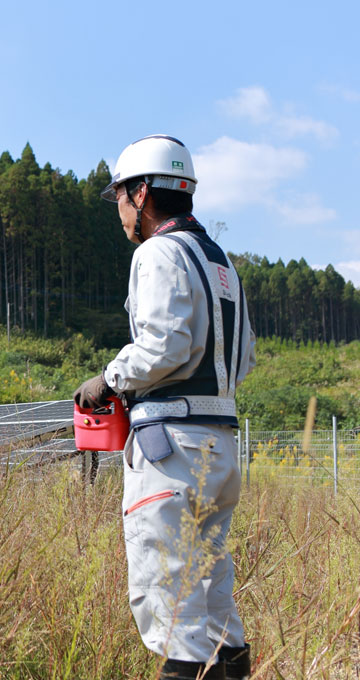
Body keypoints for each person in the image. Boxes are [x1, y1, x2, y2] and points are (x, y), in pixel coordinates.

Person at [73, 135, 256, 680]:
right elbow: (242, 357)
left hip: (171, 449)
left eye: (122, 197)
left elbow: (163, 345)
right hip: (220, 445)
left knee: (169, 602)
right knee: (212, 599)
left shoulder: (157, 252)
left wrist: (107, 381)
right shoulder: (221, 263)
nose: (122, 212)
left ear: (143, 191)